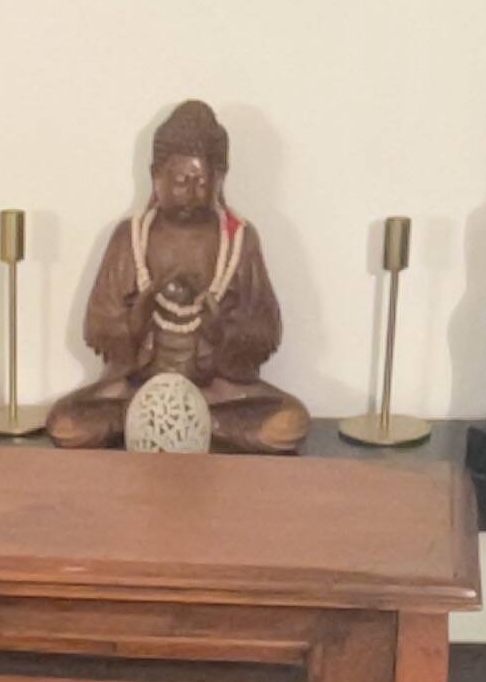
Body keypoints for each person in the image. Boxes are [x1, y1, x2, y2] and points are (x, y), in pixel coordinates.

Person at [47, 99, 309, 453]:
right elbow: (98, 325)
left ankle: (194, 425)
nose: (192, 191)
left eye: (202, 181)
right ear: (156, 176)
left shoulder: (240, 240)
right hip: (140, 387)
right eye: (181, 180)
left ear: (220, 178)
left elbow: (265, 329)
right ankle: (156, 421)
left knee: (289, 422)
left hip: (215, 390)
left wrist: (220, 332)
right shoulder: (131, 237)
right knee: (66, 424)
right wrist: (140, 317)